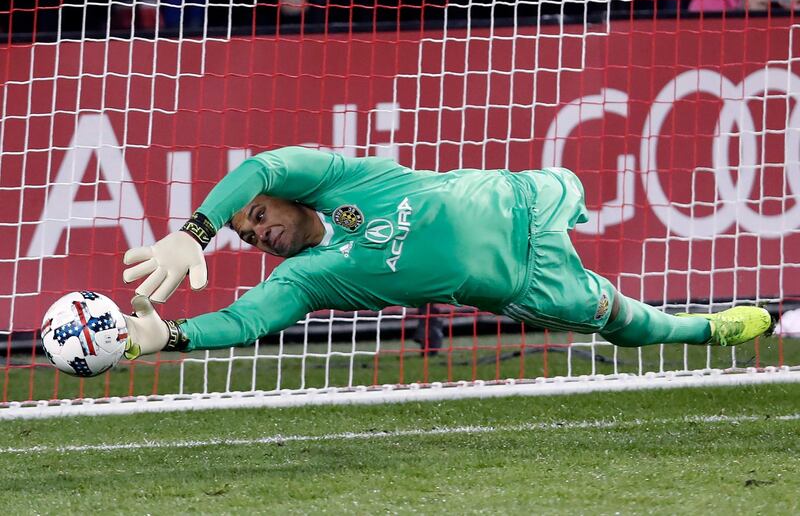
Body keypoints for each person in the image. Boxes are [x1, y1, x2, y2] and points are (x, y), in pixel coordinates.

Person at [120, 147, 772, 358]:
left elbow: (262, 164)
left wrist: (194, 232)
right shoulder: (313, 279)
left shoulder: (343, 179)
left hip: (524, 199)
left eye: (259, 215)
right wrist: (169, 335)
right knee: (622, 323)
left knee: (578, 182)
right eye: (249, 234)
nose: (260, 231)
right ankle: (705, 330)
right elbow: (247, 320)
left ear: (289, 199)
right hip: (522, 281)